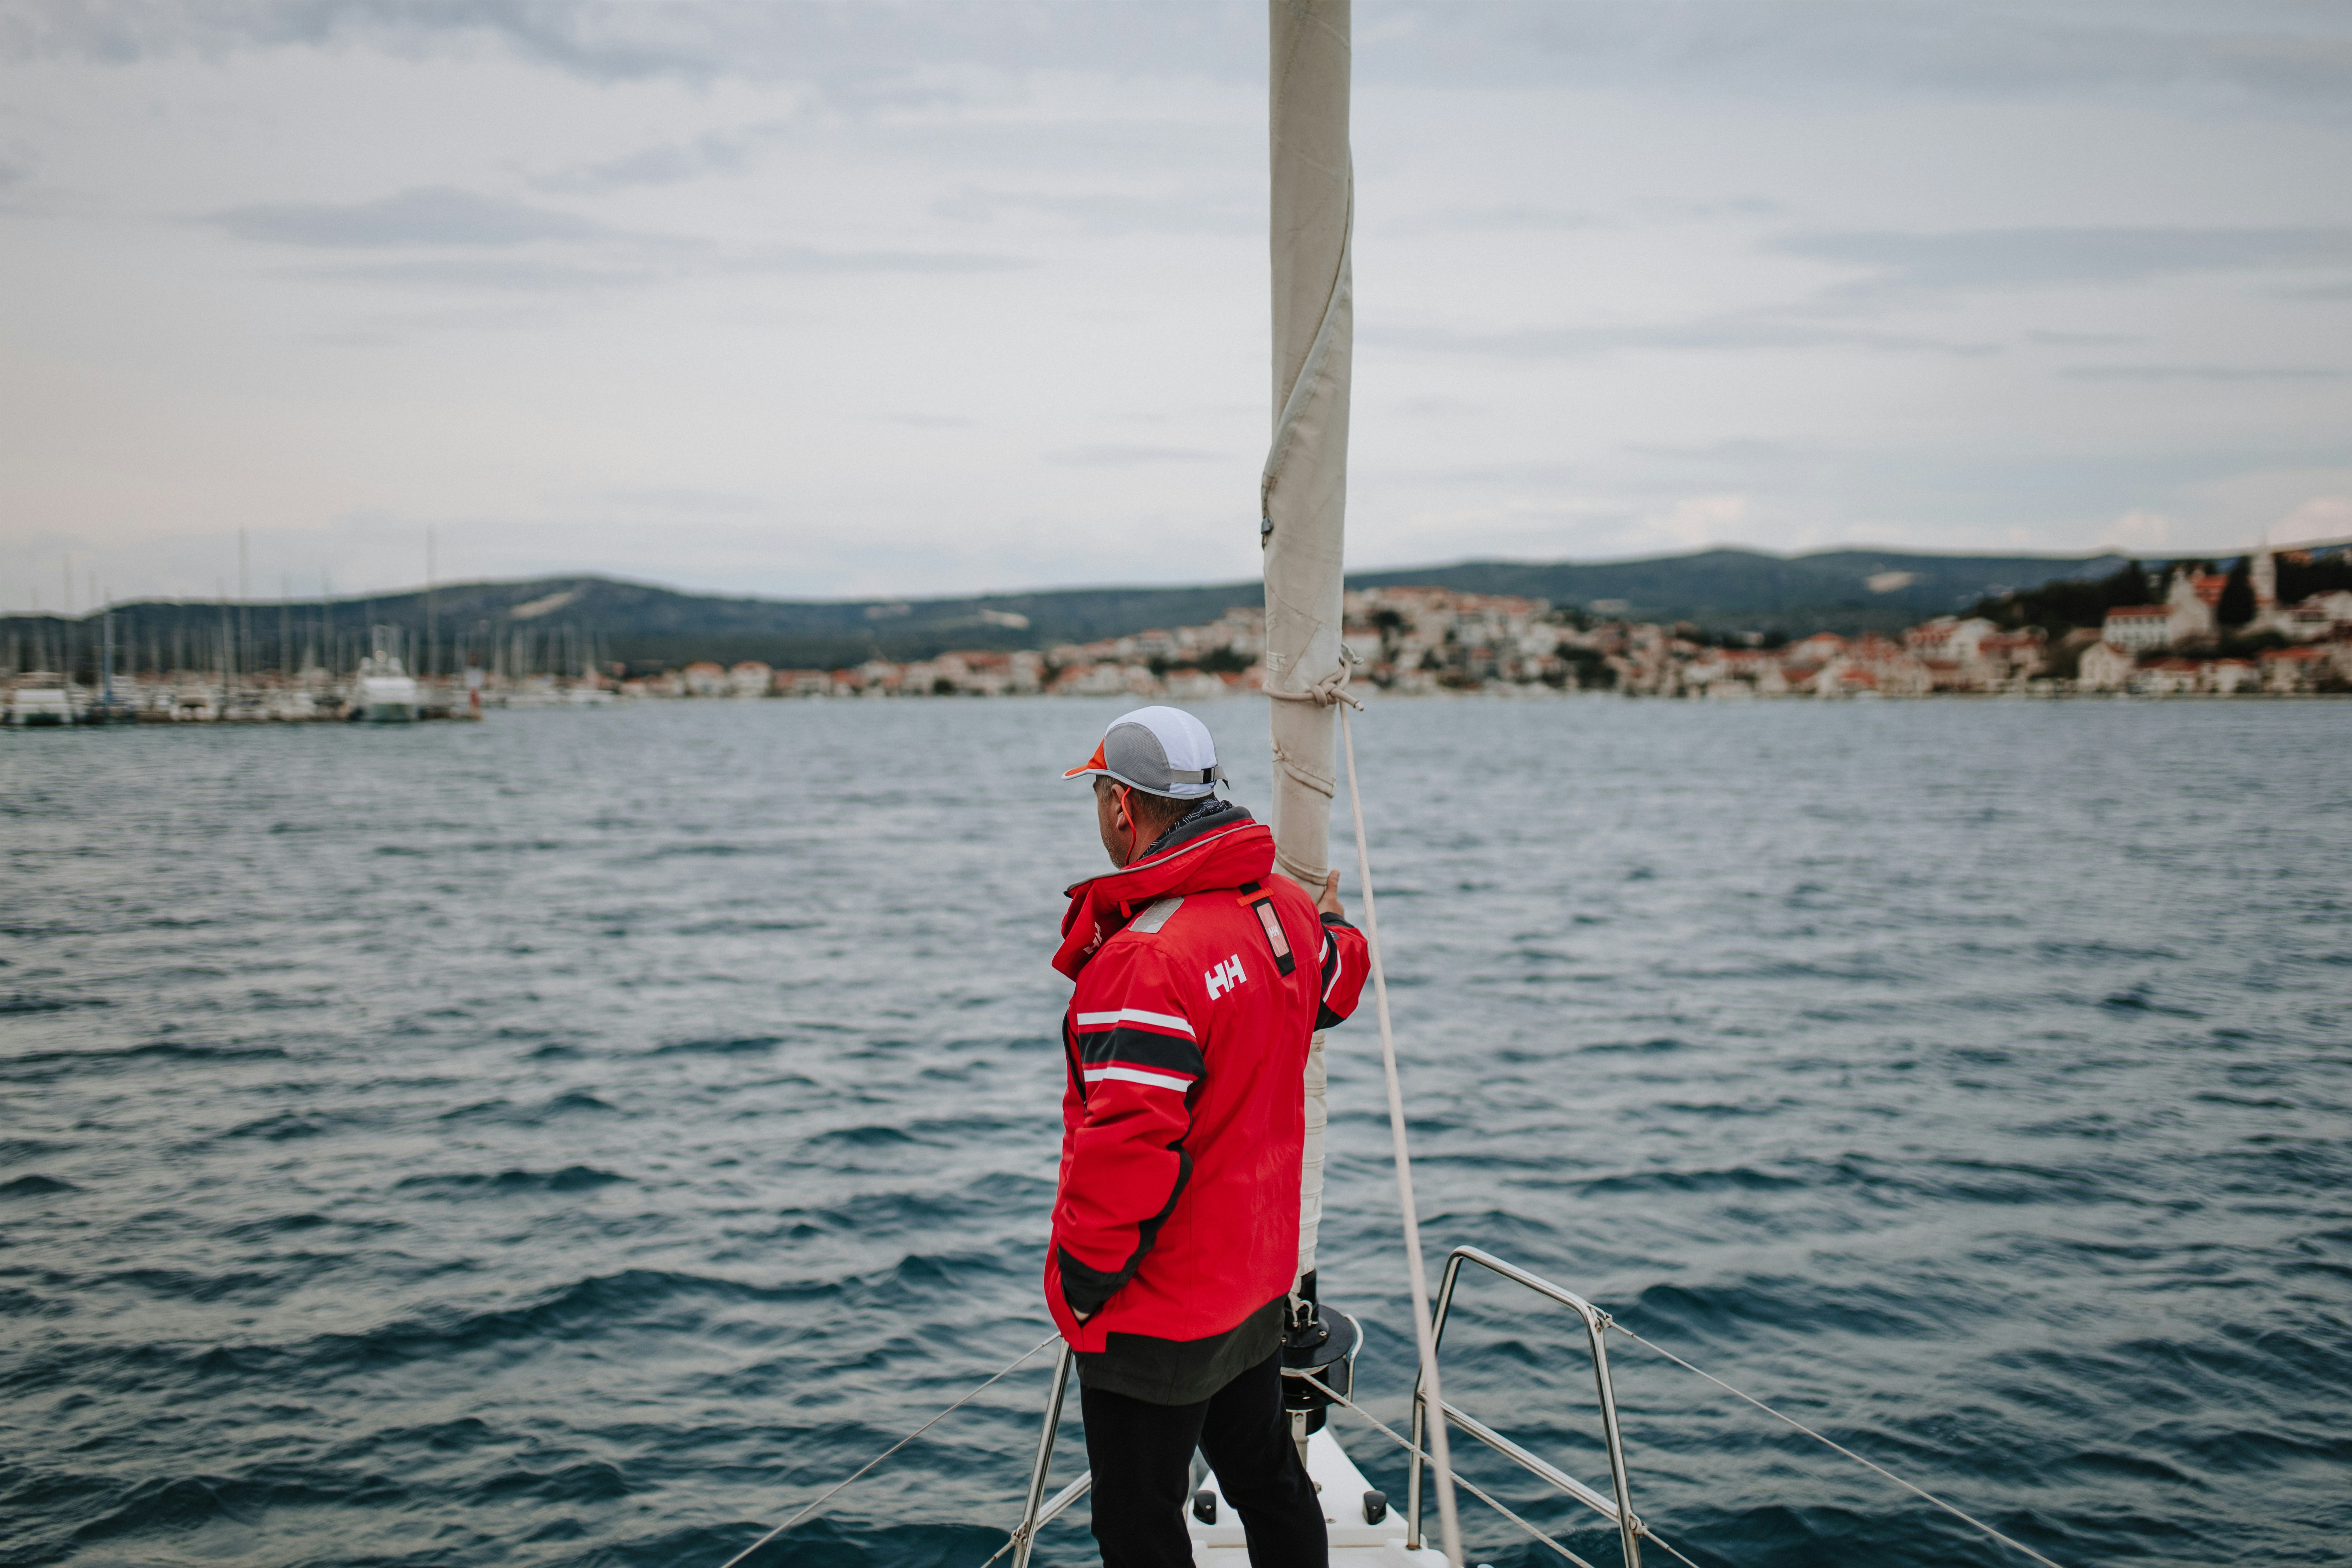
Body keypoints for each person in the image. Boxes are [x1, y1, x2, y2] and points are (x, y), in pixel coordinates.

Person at [1046, 705, 1369, 1568]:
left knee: (1139, 1523)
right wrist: (1336, 927)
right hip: (1255, 1283)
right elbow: (1335, 986)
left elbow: (1125, 1155)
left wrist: (1082, 1288)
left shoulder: (1144, 959)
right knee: (1266, 1473)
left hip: (1160, 1308)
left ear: (1122, 807)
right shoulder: (1285, 914)